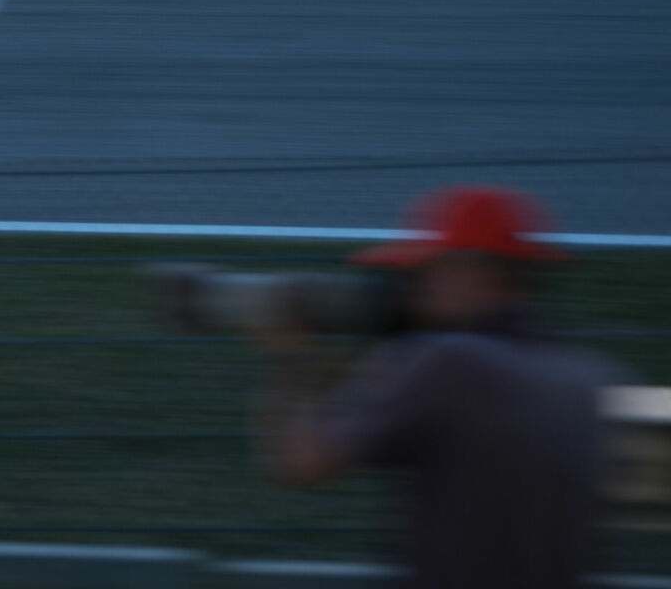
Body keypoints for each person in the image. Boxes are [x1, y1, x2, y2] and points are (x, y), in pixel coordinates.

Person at [255, 185, 623, 589]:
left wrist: (295, 355)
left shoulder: (446, 364)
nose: (412, 294)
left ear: (472, 274)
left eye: (423, 275)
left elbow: (300, 462)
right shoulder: (596, 377)